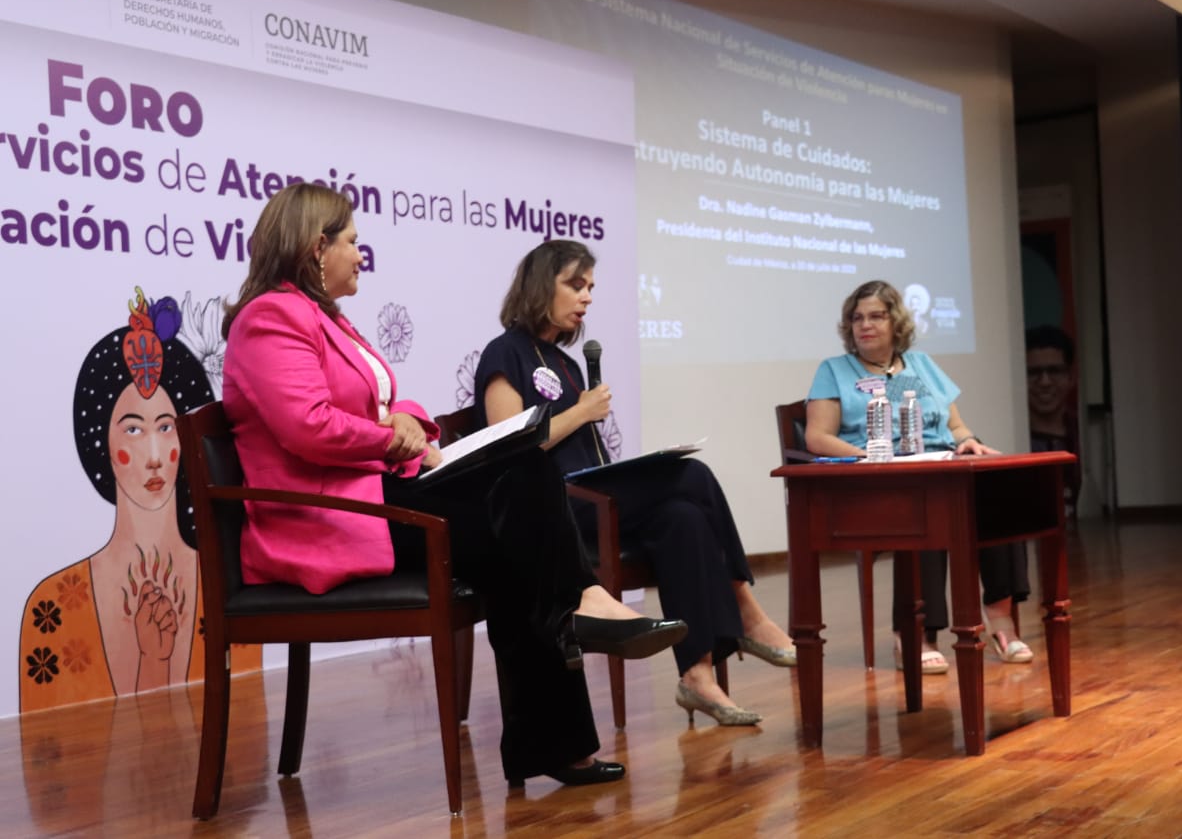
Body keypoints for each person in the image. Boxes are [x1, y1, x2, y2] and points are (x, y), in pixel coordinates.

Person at [219, 183, 686, 788]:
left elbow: (382, 401)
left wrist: (405, 420)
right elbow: (306, 425)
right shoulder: (269, 317)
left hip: (373, 497)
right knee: (520, 511)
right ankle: (579, 622)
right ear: (316, 247)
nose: (361, 254)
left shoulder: (326, 317)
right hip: (327, 517)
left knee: (521, 507)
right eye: (352, 242)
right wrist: (389, 436)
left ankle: (563, 697)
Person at [474, 239, 795, 727]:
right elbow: (508, 449)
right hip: (550, 512)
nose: (587, 297)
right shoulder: (504, 353)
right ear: (540, 286)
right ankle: (746, 607)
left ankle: (697, 675)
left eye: (590, 287)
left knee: (683, 518)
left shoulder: (568, 363)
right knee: (692, 475)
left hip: (593, 497)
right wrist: (582, 411)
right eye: (575, 284)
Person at [20, 290, 261, 712]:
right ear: (102, 444)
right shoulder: (53, 608)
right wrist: (153, 662)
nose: (154, 457)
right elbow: (48, 750)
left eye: (166, 427)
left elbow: (246, 729)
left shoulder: (227, 585)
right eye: (133, 430)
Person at [805, 279, 1033, 669]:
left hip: (938, 462)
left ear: (896, 322)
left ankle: (1000, 620)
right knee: (928, 504)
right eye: (857, 318)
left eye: (876, 316)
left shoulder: (922, 365)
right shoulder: (834, 370)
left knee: (998, 492)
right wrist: (871, 456)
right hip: (879, 479)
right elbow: (817, 437)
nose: (865, 325)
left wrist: (969, 442)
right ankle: (917, 633)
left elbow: (955, 425)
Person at [1025, 324, 1081, 516]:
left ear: (1071, 377)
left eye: (1054, 371)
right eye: (1033, 373)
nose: (1045, 382)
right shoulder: (1010, 438)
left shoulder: (1085, 438)